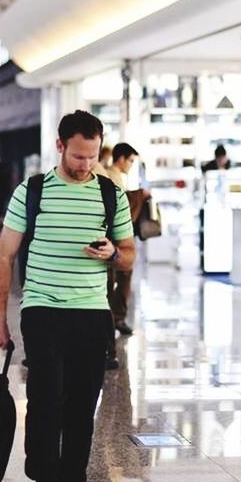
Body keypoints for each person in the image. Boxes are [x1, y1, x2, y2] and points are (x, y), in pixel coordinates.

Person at [0, 110, 135, 482]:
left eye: (91, 157)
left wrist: (112, 254)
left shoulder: (110, 195)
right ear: (60, 147)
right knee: (47, 401)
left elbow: (128, 256)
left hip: (92, 313)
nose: (85, 165)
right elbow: (4, 256)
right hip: (43, 308)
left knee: (83, 405)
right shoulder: (31, 191)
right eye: (77, 156)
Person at [105, 143, 149, 346]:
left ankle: (116, 318)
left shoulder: (116, 177)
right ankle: (115, 319)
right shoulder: (111, 176)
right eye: (130, 160)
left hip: (118, 240)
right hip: (114, 240)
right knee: (119, 276)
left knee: (121, 275)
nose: (131, 165)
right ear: (121, 158)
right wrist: (139, 195)